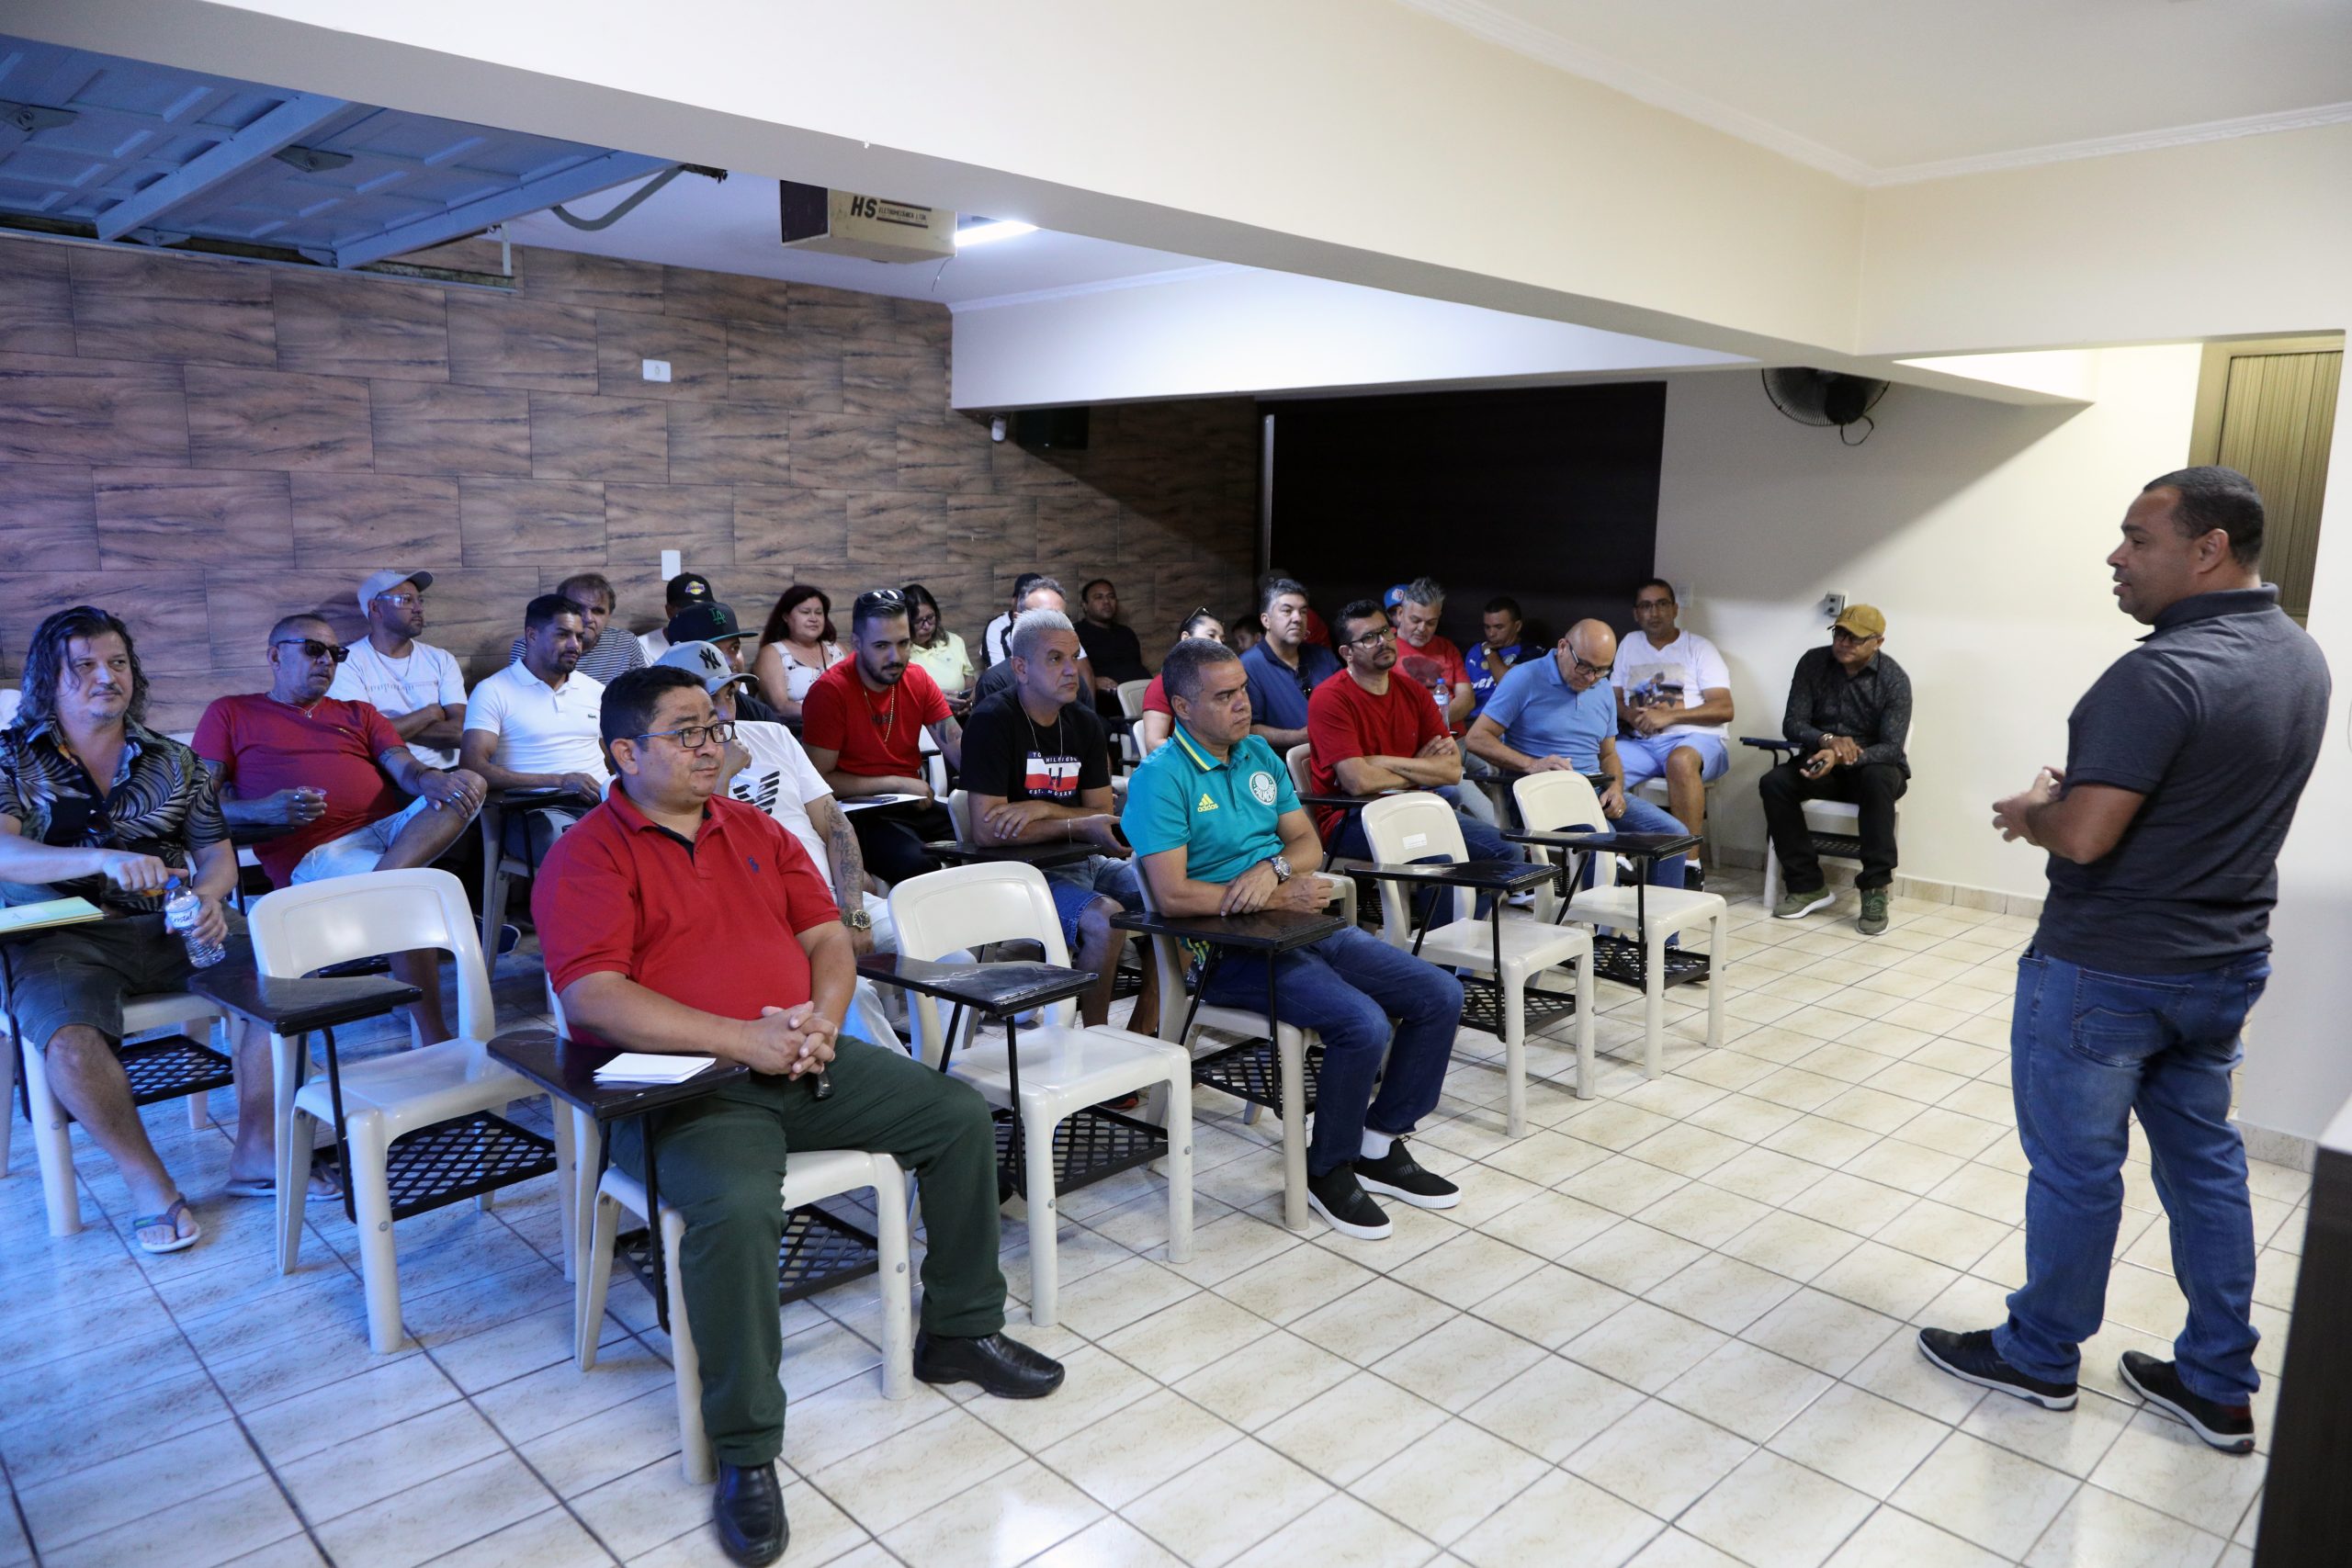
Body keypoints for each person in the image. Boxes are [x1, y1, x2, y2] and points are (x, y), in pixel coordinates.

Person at [537, 664, 1063, 1567]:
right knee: (741, 1210)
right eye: (687, 733)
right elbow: (596, 999)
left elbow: (826, 936)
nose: (713, 746)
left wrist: (819, 1019)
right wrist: (747, 1041)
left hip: (797, 1056)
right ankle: (745, 1450)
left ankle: (959, 1328)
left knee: (953, 1115)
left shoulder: (754, 828)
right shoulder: (588, 853)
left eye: (716, 728)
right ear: (625, 753)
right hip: (686, 1089)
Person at [1919, 468, 2328, 1456]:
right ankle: (2216, 1382)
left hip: (2109, 971)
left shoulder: (2155, 675)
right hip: (2222, 968)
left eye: (2136, 539)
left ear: (2207, 550)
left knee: (2075, 1172)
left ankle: (2040, 1355)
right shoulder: (2298, 657)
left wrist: (2032, 814)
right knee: (2206, 1169)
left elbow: (2089, 836)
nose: (2114, 556)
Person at [1125, 638, 1464, 1240]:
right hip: (1223, 948)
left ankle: (1378, 1143)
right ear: (1181, 705)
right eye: (1223, 695)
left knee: (1438, 994)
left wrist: (1276, 871)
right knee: (1362, 1024)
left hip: (1298, 923)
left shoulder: (1256, 753)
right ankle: (1325, 1166)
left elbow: (1305, 845)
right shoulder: (1161, 777)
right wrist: (1280, 890)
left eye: (1242, 691)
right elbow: (1173, 894)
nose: (1241, 704)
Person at [0, 606, 306, 1254]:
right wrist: (100, 858)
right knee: (69, 1040)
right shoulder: (10, 760)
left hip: (169, 925)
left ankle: (256, 1149)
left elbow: (217, 855)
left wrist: (208, 898)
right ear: (47, 680)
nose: (104, 677)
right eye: (83, 665)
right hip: (60, 935)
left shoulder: (176, 761)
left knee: (277, 978)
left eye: (116, 663)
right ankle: (148, 1182)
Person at [195, 614, 487, 1044]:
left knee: (473, 782)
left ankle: (384, 886)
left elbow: (404, 768)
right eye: (314, 650)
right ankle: (435, 1036)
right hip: (318, 853)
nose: (327, 661)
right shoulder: (232, 712)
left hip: (390, 833)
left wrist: (432, 780)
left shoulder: (358, 712)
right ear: (276, 656)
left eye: (336, 653)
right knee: (407, 895)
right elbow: (197, 803)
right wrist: (262, 809)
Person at [960, 609, 1157, 1032]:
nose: (1072, 670)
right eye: (1055, 659)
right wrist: (1076, 823)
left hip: (1082, 860)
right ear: (1021, 668)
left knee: (1170, 897)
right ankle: (1097, 1038)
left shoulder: (1084, 722)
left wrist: (1042, 809)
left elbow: (1101, 815)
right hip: (1016, 873)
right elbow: (987, 829)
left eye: (1074, 657)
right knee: (1104, 919)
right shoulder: (993, 720)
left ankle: (1146, 1030)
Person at [656, 640, 895, 957]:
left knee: (949, 958)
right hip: (760, 915)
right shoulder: (667, 766)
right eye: (711, 700)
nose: (726, 713)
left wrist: (854, 913)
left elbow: (836, 825)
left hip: (833, 897)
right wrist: (722, 774)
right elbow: (702, 861)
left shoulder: (774, 735)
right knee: (854, 993)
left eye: (730, 694)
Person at [1464, 619, 1691, 895]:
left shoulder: (1602, 689)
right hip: (1538, 794)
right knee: (1602, 835)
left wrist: (1616, 788)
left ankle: (1664, 934)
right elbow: (1477, 738)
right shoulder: (1524, 678)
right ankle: (1605, 929)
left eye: (1600, 670)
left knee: (1674, 833)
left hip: (1591, 790)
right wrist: (1531, 764)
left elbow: (1608, 754)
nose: (1590, 678)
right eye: (1584, 666)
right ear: (1563, 647)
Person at [1308, 600, 1521, 871]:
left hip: (1414, 806)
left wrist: (1381, 761)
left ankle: (1461, 913)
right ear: (1346, 652)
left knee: (1508, 850)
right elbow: (1359, 782)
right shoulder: (1330, 697)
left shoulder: (1414, 692)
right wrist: (1422, 767)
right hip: (1354, 818)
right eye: (1369, 638)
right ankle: (1440, 914)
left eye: (1385, 632)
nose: (1383, 641)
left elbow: (1451, 771)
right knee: (1441, 860)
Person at [1759, 604, 1911, 935]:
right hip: (1822, 763)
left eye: (1855, 638)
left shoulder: (1894, 680)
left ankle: (1874, 890)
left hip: (1873, 768)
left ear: (1878, 642)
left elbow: (1891, 747)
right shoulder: (1813, 663)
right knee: (1774, 782)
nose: (1844, 642)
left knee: (1877, 778)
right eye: (1840, 634)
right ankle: (1807, 884)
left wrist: (1843, 755)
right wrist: (1827, 742)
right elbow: (1793, 723)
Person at [801, 590, 963, 887]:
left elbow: (960, 749)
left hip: (914, 804)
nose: (895, 657)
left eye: (903, 644)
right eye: (881, 646)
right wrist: (896, 782)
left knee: (988, 836)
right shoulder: (829, 692)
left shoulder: (917, 678)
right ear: (857, 644)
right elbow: (818, 782)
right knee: (920, 866)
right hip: (860, 815)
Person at [459, 595, 610, 861]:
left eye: (579, 635)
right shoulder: (493, 691)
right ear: (532, 635)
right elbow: (472, 766)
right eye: (563, 635)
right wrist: (560, 781)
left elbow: (612, 753)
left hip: (601, 805)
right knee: (584, 851)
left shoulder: (595, 690)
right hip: (532, 812)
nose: (576, 645)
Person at [1611, 578, 1734, 842]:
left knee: (1680, 762)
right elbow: (1613, 699)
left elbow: (1724, 708)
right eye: (1646, 606)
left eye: (1661, 604)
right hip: (1641, 744)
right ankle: (1613, 858)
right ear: (1636, 613)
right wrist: (1630, 715)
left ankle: (1688, 866)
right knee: (1601, 762)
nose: (1654, 613)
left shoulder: (1699, 648)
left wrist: (1669, 716)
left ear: (1675, 609)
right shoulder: (1629, 644)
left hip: (1695, 740)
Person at [331, 569, 469, 769]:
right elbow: (360, 737)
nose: (418, 608)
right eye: (406, 600)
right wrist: (429, 714)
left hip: (450, 774)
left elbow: (460, 733)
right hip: (387, 778)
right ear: (375, 608)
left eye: (420, 600)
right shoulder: (347, 663)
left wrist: (385, 729)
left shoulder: (441, 659)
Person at [1239, 578, 1340, 752]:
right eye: (1287, 611)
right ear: (1266, 620)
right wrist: (1298, 737)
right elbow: (1247, 729)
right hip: (1280, 768)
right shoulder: (1248, 665)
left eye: (1303, 612)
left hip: (1335, 757)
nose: (1297, 619)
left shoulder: (1324, 657)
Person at [968, 579, 1098, 708]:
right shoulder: (995, 682)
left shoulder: (1071, 677)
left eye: (1061, 618)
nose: (1055, 627)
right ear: (1018, 619)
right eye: (1045, 618)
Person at [506, 572, 645, 684]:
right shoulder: (531, 644)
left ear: (609, 615)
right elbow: (522, 695)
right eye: (578, 609)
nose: (588, 618)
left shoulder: (626, 643)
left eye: (598, 611)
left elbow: (642, 694)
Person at [1392, 577, 1475, 737]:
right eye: (1415, 620)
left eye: (1431, 623)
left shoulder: (1447, 648)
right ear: (1400, 613)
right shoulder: (1384, 646)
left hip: (1455, 738)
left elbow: (1467, 699)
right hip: (1408, 738)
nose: (1422, 628)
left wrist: (1434, 721)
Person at [752, 584, 843, 724]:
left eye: (819, 612)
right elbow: (780, 707)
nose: (814, 618)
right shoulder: (772, 653)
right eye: (805, 612)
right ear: (786, 617)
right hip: (799, 732)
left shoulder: (837, 649)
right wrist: (828, 714)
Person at [1138, 610, 1224, 756]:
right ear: (1186, 638)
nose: (1219, 643)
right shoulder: (1162, 685)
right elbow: (1154, 743)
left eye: (1222, 639)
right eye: (1211, 635)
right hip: (1181, 768)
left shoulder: (1214, 684)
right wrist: (1206, 754)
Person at [1075, 578, 1151, 716]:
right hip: (1110, 705)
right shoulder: (1076, 633)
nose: (1106, 602)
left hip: (1143, 698)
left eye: (1111, 597)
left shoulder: (1126, 633)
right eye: (1099, 597)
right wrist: (1093, 681)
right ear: (1085, 605)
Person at [901, 583, 975, 710]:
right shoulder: (899, 652)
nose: (927, 626)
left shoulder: (954, 641)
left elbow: (971, 684)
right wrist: (934, 701)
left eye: (930, 617)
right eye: (918, 621)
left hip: (961, 718)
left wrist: (968, 703)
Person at [1466, 595, 1538, 720]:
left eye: (1499, 627)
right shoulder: (1476, 651)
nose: (1491, 633)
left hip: (1506, 724)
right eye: (1487, 627)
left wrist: (1490, 652)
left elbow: (1508, 686)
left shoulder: (1531, 652)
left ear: (1517, 626)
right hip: (1471, 720)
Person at [638, 570, 713, 664]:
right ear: (669, 611)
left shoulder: (716, 642)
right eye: (688, 611)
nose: (698, 616)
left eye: (704, 610)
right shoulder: (642, 647)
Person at [980, 572, 1046, 669]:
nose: (1032, 605)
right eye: (1025, 598)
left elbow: (1074, 662)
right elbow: (1000, 675)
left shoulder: (1054, 622)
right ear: (1014, 601)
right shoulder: (998, 627)